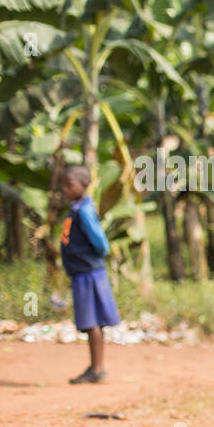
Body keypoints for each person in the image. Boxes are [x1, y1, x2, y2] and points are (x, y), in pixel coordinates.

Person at [59, 165, 120, 384]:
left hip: (89, 274)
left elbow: (100, 243)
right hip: (84, 273)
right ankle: (96, 367)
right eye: (63, 185)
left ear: (83, 186)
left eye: (69, 185)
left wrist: (90, 259)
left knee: (92, 321)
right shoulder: (77, 208)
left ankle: (96, 369)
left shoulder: (84, 210)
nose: (65, 189)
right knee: (92, 323)